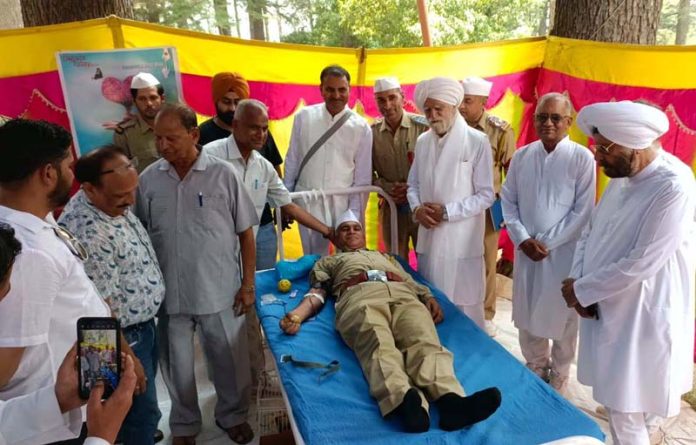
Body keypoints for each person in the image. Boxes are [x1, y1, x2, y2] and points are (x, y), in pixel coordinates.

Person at [279, 210, 501, 433]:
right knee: (378, 344)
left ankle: (451, 402)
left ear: (364, 235)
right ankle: (403, 401)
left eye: (356, 228)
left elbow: (408, 279)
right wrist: (297, 315)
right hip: (359, 297)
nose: (352, 232)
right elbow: (317, 293)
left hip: (403, 295)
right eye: (345, 229)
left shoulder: (387, 258)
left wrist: (428, 296)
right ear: (336, 237)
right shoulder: (328, 261)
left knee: (424, 341)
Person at [0, 119, 147, 445]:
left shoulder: (34, 221)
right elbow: (6, 367)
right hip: (50, 420)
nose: (74, 174)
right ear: (48, 174)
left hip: (69, 398)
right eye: (69, 165)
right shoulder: (27, 253)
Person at [562, 101, 695, 445]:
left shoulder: (674, 185)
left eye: (605, 148)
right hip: (605, 303)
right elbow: (590, 231)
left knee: (626, 406)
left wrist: (583, 290)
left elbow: (644, 261)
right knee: (621, 400)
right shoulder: (623, 177)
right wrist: (577, 281)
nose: (598, 157)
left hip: (642, 311)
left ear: (634, 145)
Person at [135, 103, 258, 445]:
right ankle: (185, 424)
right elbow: (142, 235)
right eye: (158, 139)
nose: (163, 146)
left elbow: (246, 233)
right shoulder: (149, 180)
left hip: (219, 288)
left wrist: (248, 285)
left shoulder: (223, 174)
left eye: (171, 138)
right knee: (176, 367)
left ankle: (232, 416)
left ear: (193, 135)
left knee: (229, 360)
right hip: (170, 293)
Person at [203, 99, 332, 390]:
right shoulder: (210, 157)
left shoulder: (262, 165)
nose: (261, 135)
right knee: (221, 310)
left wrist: (328, 231)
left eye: (264, 129)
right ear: (235, 126)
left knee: (252, 301)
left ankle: (254, 372)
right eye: (254, 128)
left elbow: (287, 204)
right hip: (217, 246)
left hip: (256, 240)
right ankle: (227, 379)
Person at [59, 145, 166, 444]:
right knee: (131, 410)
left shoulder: (110, 204)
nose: (131, 201)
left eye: (133, 191)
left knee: (135, 410)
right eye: (122, 197)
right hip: (115, 338)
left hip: (136, 331)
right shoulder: (88, 231)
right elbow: (98, 314)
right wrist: (129, 359)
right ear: (90, 190)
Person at [500, 93, 595, 395]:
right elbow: (508, 199)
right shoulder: (523, 155)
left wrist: (547, 242)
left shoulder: (582, 158)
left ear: (569, 122)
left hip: (563, 253)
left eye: (556, 118)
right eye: (542, 117)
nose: (548, 123)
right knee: (527, 308)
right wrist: (523, 238)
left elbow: (583, 211)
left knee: (563, 313)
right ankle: (535, 363)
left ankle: (561, 371)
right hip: (527, 249)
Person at [406, 77, 495, 329]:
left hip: (461, 237)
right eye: (428, 109)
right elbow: (413, 185)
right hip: (430, 236)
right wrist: (417, 209)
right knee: (432, 300)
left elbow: (486, 194)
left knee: (465, 303)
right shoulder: (423, 141)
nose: (433, 115)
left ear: (453, 107)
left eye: (438, 109)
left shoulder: (477, 141)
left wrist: (449, 212)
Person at [199, 72, 285, 269]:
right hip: (223, 230)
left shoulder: (261, 134)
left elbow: (275, 171)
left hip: (261, 224)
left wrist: (279, 204)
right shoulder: (204, 137)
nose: (232, 108)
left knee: (262, 281)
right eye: (226, 102)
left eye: (237, 102)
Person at [283, 64, 373, 256]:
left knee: (347, 261)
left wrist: (354, 216)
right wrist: (286, 200)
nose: (336, 95)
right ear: (321, 90)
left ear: (349, 90)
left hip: (342, 205)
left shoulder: (361, 127)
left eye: (342, 90)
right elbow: (292, 160)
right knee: (313, 259)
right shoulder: (304, 117)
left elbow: (363, 177)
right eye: (330, 90)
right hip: (307, 201)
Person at [459, 76, 517, 337]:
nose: (461, 106)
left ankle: (486, 313)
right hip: (457, 207)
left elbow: (511, 173)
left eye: (467, 101)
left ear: (483, 102)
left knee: (486, 260)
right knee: (459, 258)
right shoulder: (452, 127)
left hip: (486, 208)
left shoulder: (500, 130)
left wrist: (503, 210)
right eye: (460, 100)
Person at [371, 77, 428, 258]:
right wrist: (388, 188)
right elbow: (365, 174)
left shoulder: (424, 128)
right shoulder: (370, 133)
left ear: (402, 97)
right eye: (381, 100)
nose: (387, 105)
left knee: (428, 261)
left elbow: (438, 168)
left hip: (423, 206)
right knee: (395, 264)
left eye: (392, 98)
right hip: (391, 208)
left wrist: (412, 189)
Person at [113, 72, 164, 172]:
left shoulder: (178, 126)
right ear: (134, 101)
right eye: (142, 99)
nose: (149, 103)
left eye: (153, 98)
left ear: (162, 98)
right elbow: (123, 172)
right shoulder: (124, 134)